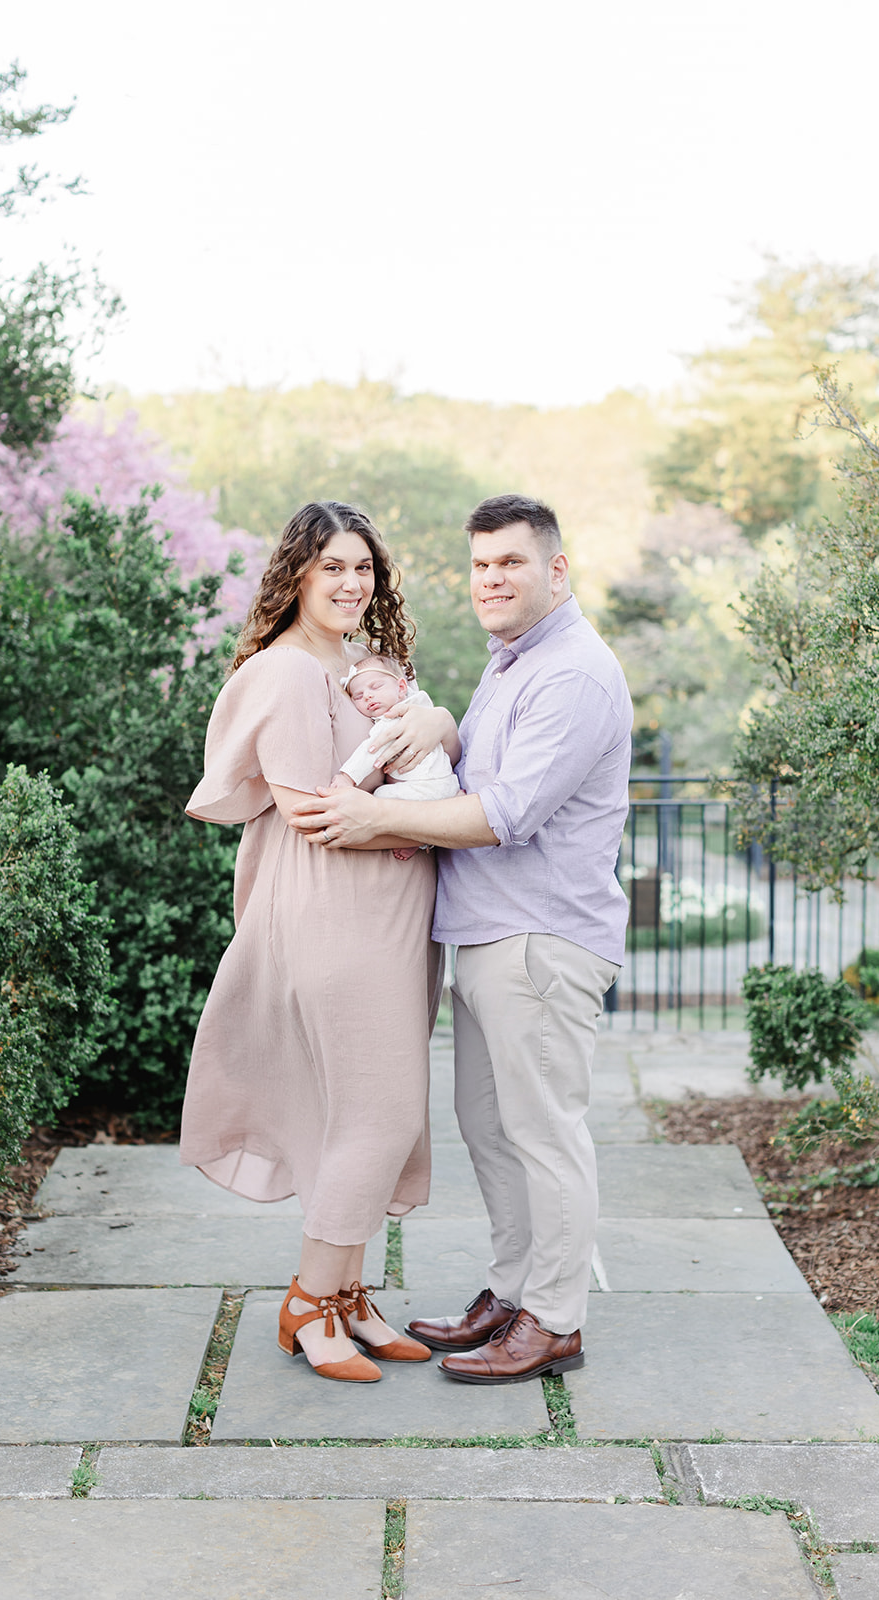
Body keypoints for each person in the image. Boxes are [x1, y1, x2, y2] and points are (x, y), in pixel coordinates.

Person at [289, 493, 632, 1384]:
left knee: (543, 1132)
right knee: (490, 1128)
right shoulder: (513, 663)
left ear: (556, 569)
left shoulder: (572, 674)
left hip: (539, 940)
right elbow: (465, 765)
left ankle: (553, 1320)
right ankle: (510, 1293)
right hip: (488, 936)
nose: (492, 580)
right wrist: (438, 726)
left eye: (511, 563)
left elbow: (507, 812)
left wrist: (368, 817)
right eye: (480, 565)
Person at [179, 501, 444, 1383]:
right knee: (378, 1110)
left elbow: (428, 756)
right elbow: (314, 815)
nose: (349, 583)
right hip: (336, 915)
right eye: (330, 565)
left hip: (396, 920)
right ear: (296, 573)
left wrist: (436, 732)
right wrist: (434, 824)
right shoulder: (288, 675)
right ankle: (306, 1301)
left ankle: (349, 1296)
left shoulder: (368, 664)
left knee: (370, 1111)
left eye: (362, 567)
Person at [334, 653, 461, 800]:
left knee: (380, 795)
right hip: (448, 782)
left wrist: (347, 777)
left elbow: (371, 749)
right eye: (358, 696)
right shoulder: (420, 708)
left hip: (425, 787)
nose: (367, 696)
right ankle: (455, 797)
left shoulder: (394, 719)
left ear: (401, 688)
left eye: (376, 687)